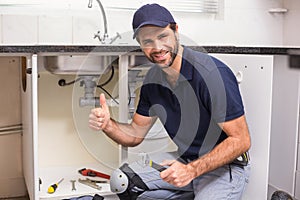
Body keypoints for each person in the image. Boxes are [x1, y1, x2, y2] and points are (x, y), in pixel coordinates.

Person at [89, 3, 251, 200]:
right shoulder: (152, 81)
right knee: (122, 181)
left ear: (176, 31)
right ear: (140, 44)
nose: (157, 48)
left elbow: (241, 140)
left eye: (162, 36)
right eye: (147, 41)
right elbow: (135, 134)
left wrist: (191, 170)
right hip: (185, 160)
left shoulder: (212, 75)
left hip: (224, 167)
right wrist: (108, 125)